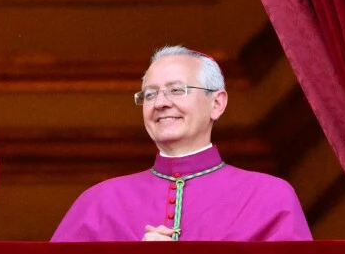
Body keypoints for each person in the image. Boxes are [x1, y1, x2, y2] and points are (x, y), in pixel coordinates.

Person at [51, 45, 312, 242]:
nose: (161, 103)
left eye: (177, 90)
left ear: (217, 103)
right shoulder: (99, 202)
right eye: (150, 94)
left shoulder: (269, 197)